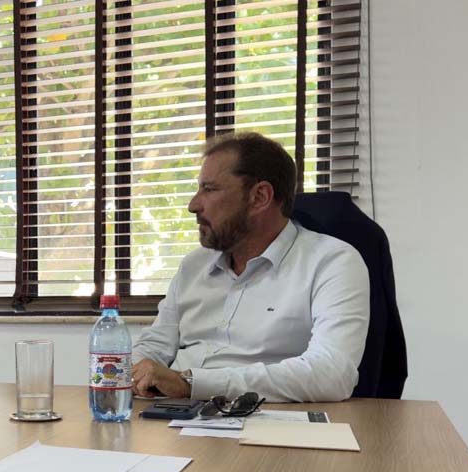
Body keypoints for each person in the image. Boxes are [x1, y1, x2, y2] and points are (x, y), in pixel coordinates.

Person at [131, 132, 370, 402]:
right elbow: (156, 344)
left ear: (259, 197)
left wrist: (191, 383)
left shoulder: (331, 262)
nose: (193, 205)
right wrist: (130, 374)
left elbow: (331, 374)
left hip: (264, 416)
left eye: (209, 189)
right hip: (169, 412)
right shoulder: (193, 266)